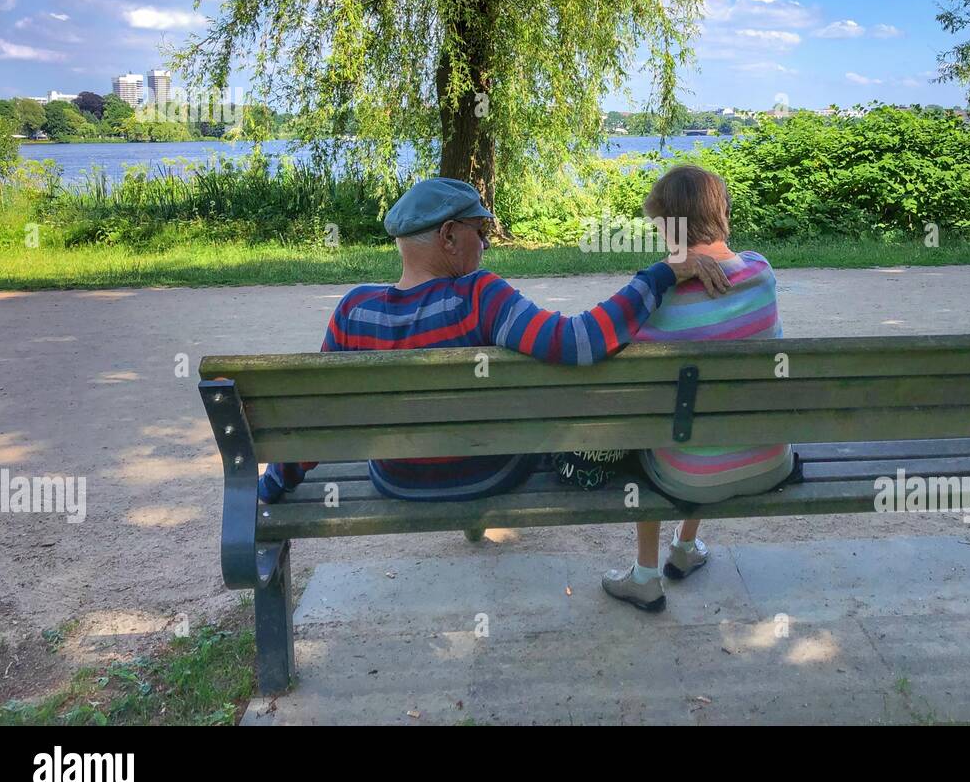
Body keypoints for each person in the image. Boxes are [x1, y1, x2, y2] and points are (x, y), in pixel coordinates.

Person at [256, 177, 730, 504]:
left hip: (397, 480)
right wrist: (661, 275)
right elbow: (579, 343)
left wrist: (279, 477)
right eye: (480, 232)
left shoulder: (353, 310)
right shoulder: (479, 297)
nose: (486, 244)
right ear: (448, 236)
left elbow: (317, 412)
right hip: (486, 474)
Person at [601, 165, 794, 611]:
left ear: (667, 227)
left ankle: (646, 576)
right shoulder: (763, 274)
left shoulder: (657, 303)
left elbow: (606, 340)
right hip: (769, 459)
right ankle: (685, 549)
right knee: (710, 409)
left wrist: (662, 273)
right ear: (722, 211)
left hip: (692, 475)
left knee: (652, 423)